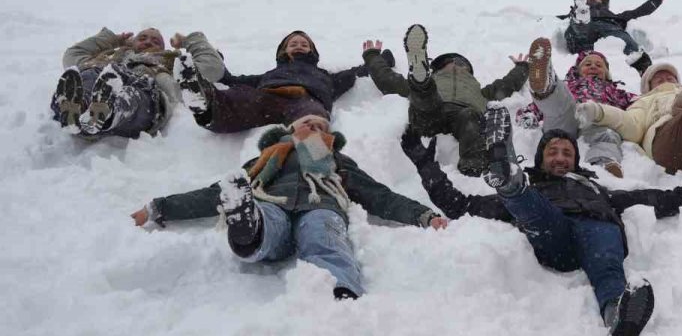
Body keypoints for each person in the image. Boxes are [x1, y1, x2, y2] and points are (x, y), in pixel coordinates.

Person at [401, 104, 682, 335]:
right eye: (553, 152)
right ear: (540, 158)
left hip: (598, 227)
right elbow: (459, 205)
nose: (561, 157)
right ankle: (507, 179)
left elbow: (663, 199)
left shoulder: (597, 188)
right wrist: (424, 164)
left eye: (567, 153)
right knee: (529, 204)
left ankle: (617, 316)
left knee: (608, 265)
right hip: (552, 230)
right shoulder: (535, 187)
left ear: (576, 160)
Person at [131, 114, 448, 299]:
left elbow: (378, 195)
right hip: (271, 202)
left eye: (321, 126)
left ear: (329, 137)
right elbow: (216, 193)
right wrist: (160, 208)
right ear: (290, 131)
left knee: (324, 237)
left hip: (322, 205)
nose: (314, 127)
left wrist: (422, 215)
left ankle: (341, 295)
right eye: (307, 123)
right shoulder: (265, 160)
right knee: (267, 221)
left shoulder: (338, 161)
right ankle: (248, 232)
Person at [575, 14, 682, 200]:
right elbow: (630, 125)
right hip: (671, 144)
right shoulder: (645, 101)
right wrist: (599, 111)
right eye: (659, 78)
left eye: (670, 77)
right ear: (648, 86)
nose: (665, 80)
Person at [361, 24, 528, 176]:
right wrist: (372, 57)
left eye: (461, 63)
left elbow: (506, 85)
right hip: (432, 111)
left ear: (468, 71)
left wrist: (522, 67)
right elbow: (389, 81)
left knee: (470, 115)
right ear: (437, 69)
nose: (456, 64)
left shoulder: (480, 91)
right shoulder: (436, 80)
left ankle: (474, 165)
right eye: (449, 62)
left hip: (464, 116)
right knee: (425, 95)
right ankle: (420, 77)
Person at [176, 30, 369, 133]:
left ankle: (313, 141)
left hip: (306, 98)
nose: (299, 46)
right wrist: (218, 58)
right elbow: (232, 80)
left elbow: (354, 73)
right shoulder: (270, 74)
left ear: (312, 52)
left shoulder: (325, 75)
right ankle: (204, 103)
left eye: (304, 44)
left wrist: (376, 58)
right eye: (293, 44)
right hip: (268, 97)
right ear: (284, 51)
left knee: (312, 114)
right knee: (236, 98)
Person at [51, 27, 224, 138]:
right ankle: (78, 106)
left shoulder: (169, 60)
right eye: (142, 38)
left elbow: (213, 68)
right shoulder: (111, 55)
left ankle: (107, 111)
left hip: (145, 91)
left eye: (156, 41)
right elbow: (73, 55)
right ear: (132, 42)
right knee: (89, 74)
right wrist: (113, 39)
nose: (148, 41)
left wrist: (189, 40)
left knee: (131, 95)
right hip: (102, 77)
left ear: (163, 49)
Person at [521, 39, 636, 177]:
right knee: (561, 101)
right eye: (587, 64)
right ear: (578, 71)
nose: (593, 66)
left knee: (606, 135)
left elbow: (638, 105)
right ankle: (546, 85)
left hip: (596, 121)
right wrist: (529, 115)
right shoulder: (569, 85)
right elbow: (537, 107)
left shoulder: (616, 92)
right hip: (567, 118)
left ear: (606, 74)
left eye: (599, 65)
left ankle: (604, 165)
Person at [559, 0, 664, 73]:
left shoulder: (615, 16)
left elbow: (636, 12)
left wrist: (655, 1)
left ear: (602, 0)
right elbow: (551, 21)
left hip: (611, 28)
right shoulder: (572, 16)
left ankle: (644, 69)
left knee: (627, 42)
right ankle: (581, 18)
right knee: (580, 29)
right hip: (587, 28)